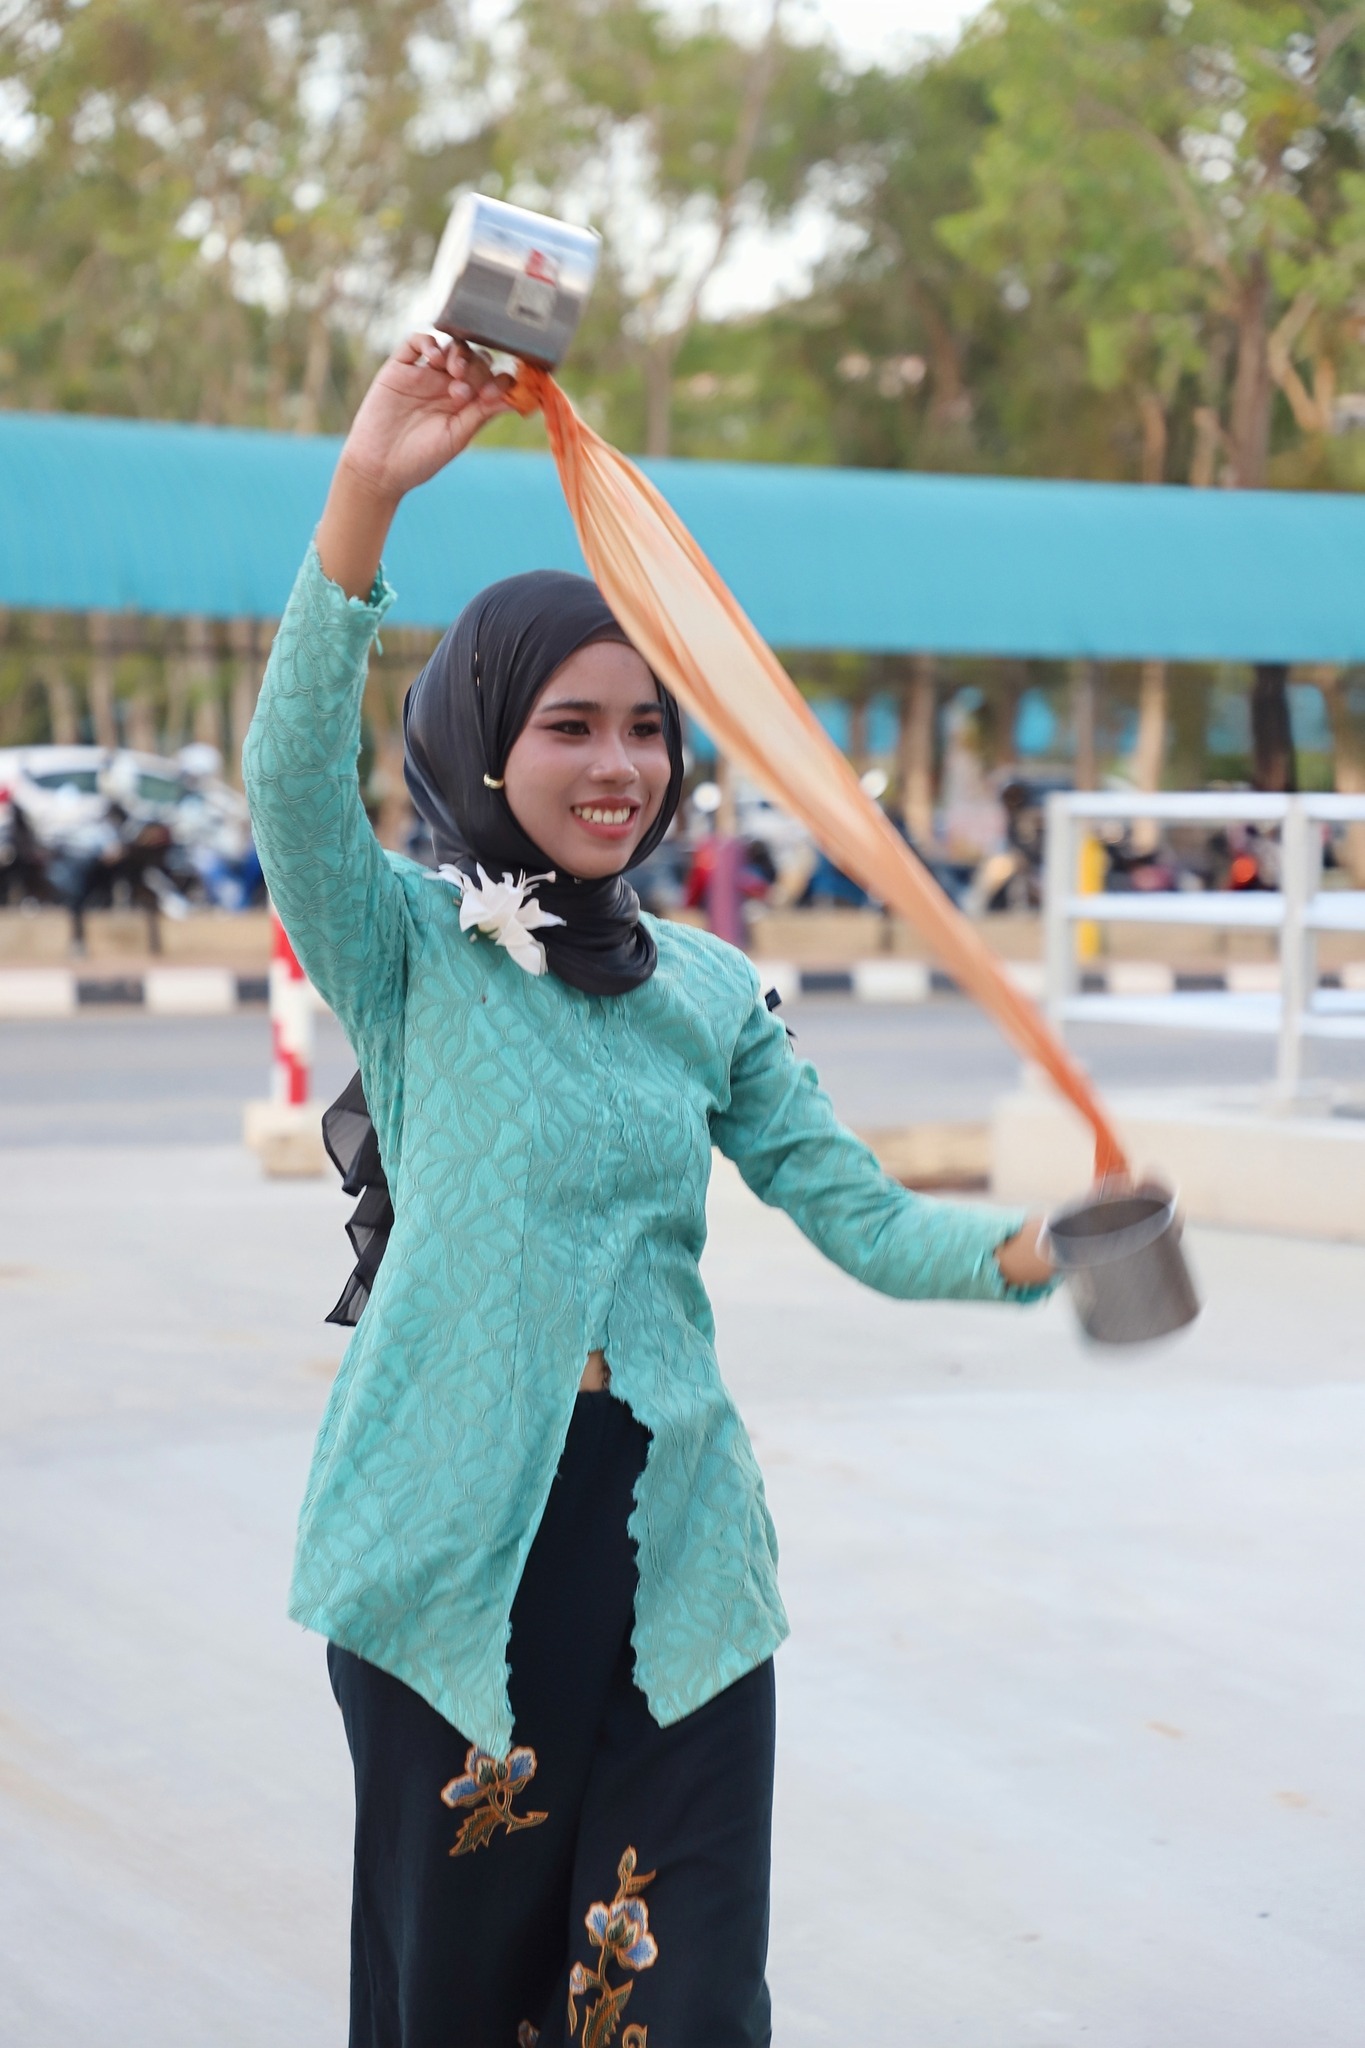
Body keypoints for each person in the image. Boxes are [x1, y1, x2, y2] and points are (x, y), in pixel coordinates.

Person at [242, 331, 1058, 2048]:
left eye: (645, 730)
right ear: (483, 739)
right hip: (458, 1549)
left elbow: (856, 1212)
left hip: (672, 1555)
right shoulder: (407, 948)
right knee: (459, 1997)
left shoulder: (704, 986)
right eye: (570, 727)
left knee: (672, 2003)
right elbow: (290, 783)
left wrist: (1030, 1246)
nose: (618, 766)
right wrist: (369, 486)